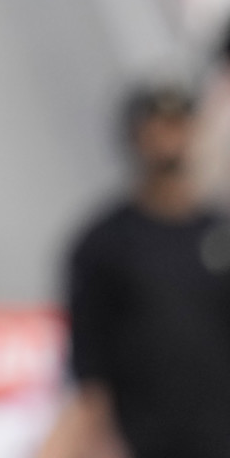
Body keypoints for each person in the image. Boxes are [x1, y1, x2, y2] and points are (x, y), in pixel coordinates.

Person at [36, 83, 230, 458]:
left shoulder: (219, 236)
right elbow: (89, 363)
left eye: (178, 125)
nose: (168, 140)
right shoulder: (105, 243)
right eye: (157, 128)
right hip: (141, 436)